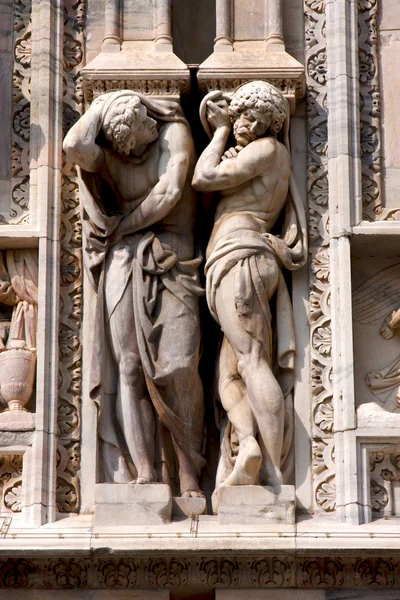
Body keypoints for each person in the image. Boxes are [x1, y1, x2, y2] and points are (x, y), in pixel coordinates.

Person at [63, 91, 205, 497]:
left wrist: (123, 227)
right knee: (128, 366)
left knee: (177, 365)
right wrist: (100, 108)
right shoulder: (108, 159)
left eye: (143, 126)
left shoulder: (174, 132)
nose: (144, 137)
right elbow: (74, 145)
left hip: (172, 254)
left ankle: (189, 469)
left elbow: (171, 191)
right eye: (131, 139)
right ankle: (146, 471)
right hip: (123, 260)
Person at [193, 81, 307, 498]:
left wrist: (220, 129)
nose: (246, 124)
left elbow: (203, 178)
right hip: (235, 259)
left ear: (272, 126)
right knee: (227, 374)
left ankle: (276, 480)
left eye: (256, 120)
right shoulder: (266, 154)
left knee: (253, 361)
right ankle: (249, 445)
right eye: (242, 115)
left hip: (241, 256)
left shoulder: (266, 150)